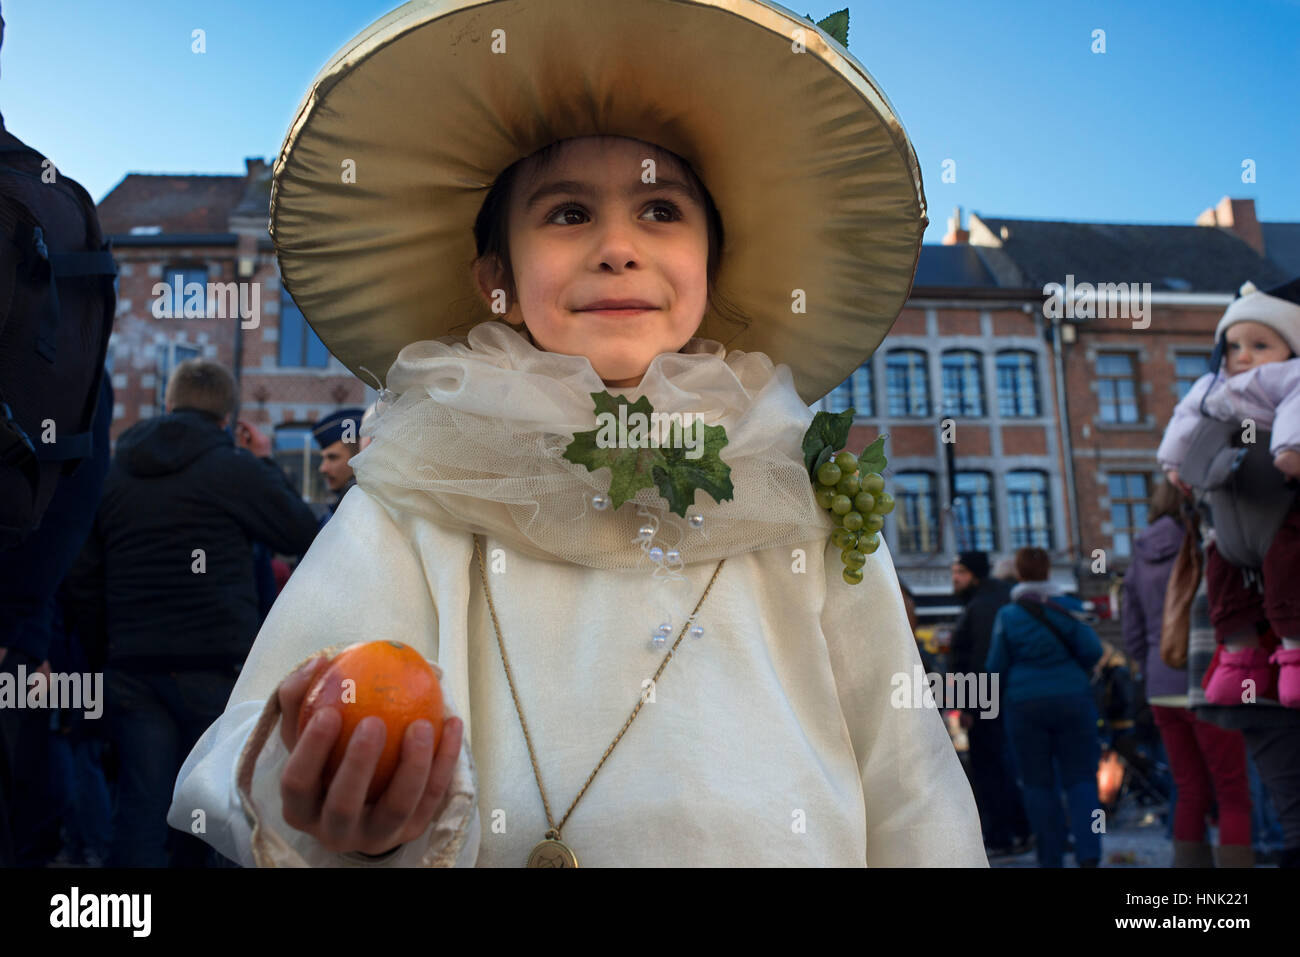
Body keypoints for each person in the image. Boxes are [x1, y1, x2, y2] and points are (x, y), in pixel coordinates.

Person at [167, 0, 986, 868]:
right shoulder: (420, 491)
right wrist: (355, 812)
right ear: (498, 278)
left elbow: (910, 782)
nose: (618, 247)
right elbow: (275, 729)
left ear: (712, 263)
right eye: (567, 214)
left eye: (661, 210)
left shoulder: (794, 489)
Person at [66, 358, 320, 866]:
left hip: (135, 667)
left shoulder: (115, 475)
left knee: (141, 809)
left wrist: (104, 654)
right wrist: (264, 461)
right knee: (218, 805)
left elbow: (83, 581)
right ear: (228, 417)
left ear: (167, 403)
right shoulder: (234, 470)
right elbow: (303, 535)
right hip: (215, 664)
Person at [1158, 278, 1300, 709]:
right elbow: (1185, 418)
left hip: (1273, 496)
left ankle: (1293, 657)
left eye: (1259, 345)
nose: (1244, 356)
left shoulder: (1290, 376)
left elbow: (1296, 407)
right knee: (1224, 578)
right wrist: (1174, 462)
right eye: (1234, 346)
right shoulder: (1212, 387)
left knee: (1287, 569)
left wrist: (1289, 450)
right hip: (1232, 510)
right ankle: (1239, 662)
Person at [1122, 478, 1253, 866]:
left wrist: (1153, 664)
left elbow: (1131, 631)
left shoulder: (1139, 555)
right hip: (1208, 679)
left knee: (1189, 787)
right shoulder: (1204, 543)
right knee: (1232, 790)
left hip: (1161, 685)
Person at [987, 547, 1104, 867]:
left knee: (1037, 783)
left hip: (1025, 705)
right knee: (1081, 778)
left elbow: (995, 666)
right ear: (1049, 570)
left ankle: (1050, 856)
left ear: (1019, 574)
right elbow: (1093, 650)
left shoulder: (1008, 615)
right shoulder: (1070, 607)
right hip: (1073, 699)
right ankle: (1089, 852)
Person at [949, 550, 1031, 856]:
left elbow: (981, 659)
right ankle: (1020, 831)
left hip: (988, 702)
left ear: (975, 575)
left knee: (990, 769)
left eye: (960, 572)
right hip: (1002, 698)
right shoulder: (991, 599)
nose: (954, 579)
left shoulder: (983, 605)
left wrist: (971, 706)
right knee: (1002, 766)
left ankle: (1003, 836)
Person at [312, 407, 364, 529]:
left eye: (332, 457)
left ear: (358, 457)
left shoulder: (359, 512)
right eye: (324, 458)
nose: (323, 468)